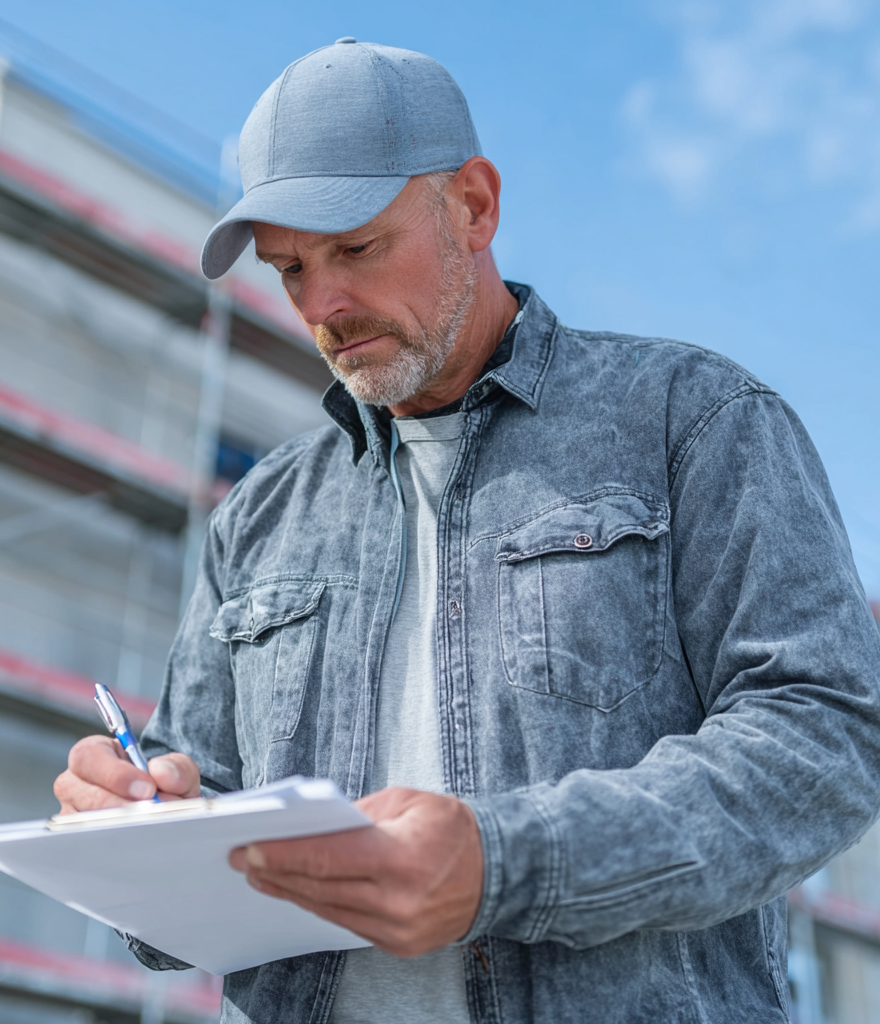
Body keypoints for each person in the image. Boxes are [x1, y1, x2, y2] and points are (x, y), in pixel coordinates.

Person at [54, 39, 880, 1024]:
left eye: (356, 247)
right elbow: (192, 847)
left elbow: (827, 737)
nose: (323, 306)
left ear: (475, 206)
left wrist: (507, 862)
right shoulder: (259, 519)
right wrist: (138, 823)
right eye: (289, 270)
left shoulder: (693, 422)